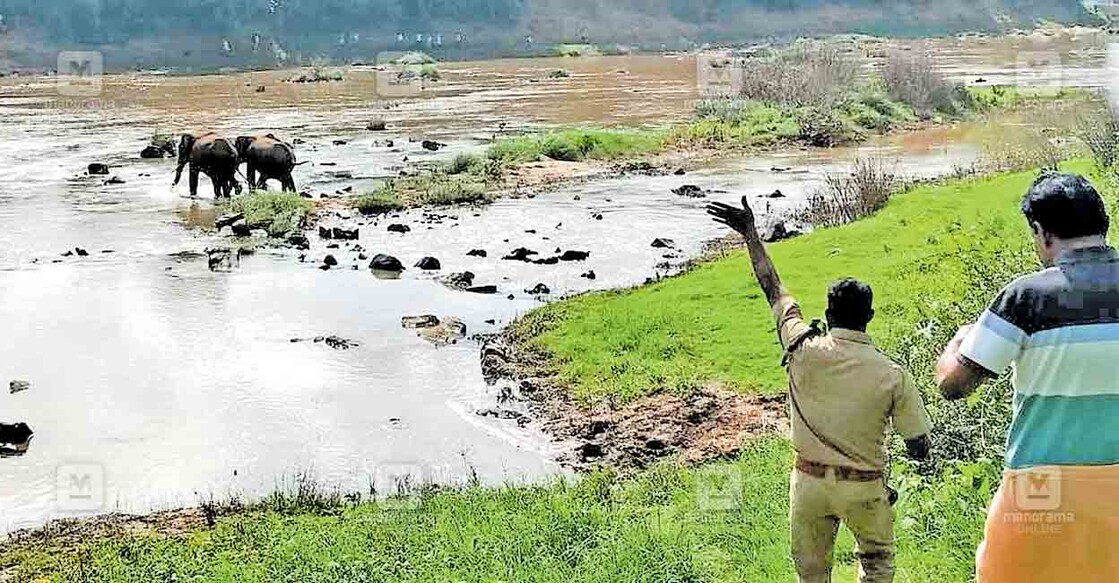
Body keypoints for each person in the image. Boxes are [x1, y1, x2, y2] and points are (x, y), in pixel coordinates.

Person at [708, 198, 932, 583]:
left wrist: (750, 234)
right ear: (870, 318)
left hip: (809, 484)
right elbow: (917, 443)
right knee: (877, 565)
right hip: (864, 487)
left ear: (828, 317)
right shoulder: (892, 374)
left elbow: (773, 288)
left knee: (810, 575)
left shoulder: (801, 347)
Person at [935, 172, 1119, 581]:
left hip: (1043, 489)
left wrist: (957, 341)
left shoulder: (1026, 297)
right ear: (1102, 224)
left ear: (1041, 231)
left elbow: (953, 384)